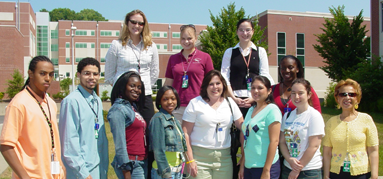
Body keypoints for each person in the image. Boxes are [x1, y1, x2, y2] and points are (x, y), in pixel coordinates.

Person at [221, 19, 275, 177]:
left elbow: (265, 75)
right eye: (241, 30)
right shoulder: (230, 52)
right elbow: (224, 77)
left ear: (253, 31)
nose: (245, 33)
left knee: (253, 138)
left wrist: (253, 98)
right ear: (237, 32)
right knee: (233, 141)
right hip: (234, 100)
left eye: (248, 30)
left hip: (255, 100)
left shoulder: (260, 51)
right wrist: (233, 98)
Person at [0, 56, 65, 179]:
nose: (48, 78)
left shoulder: (50, 103)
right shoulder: (19, 103)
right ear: (30, 73)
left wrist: (61, 168)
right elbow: (6, 145)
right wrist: (25, 177)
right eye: (42, 73)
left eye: (51, 74)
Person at [182, 70, 244, 179]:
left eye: (218, 83)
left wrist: (244, 154)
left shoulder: (230, 103)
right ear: (205, 86)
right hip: (199, 158)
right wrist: (190, 160)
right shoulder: (195, 103)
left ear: (223, 85)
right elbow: (185, 133)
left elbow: (244, 128)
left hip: (224, 159)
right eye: (211, 84)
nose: (215, 87)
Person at [105, 9, 159, 124]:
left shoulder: (151, 46)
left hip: (145, 96)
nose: (137, 26)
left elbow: (154, 72)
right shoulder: (117, 45)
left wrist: (144, 86)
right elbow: (109, 75)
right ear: (127, 23)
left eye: (140, 23)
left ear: (144, 26)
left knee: (149, 131)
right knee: (126, 132)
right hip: (123, 97)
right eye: (133, 22)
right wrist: (122, 88)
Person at [59, 58, 109, 179]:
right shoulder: (71, 102)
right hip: (82, 171)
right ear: (78, 75)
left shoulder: (96, 100)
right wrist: (83, 173)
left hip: (98, 166)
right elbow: (69, 143)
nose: (92, 77)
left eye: (95, 74)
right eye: (87, 73)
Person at [322, 79, 379, 179]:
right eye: (342, 94)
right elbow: (327, 152)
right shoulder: (331, 122)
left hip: (361, 173)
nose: (347, 97)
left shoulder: (366, 119)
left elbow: (373, 150)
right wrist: (326, 175)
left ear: (357, 98)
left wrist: (374, 176)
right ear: (337, 98)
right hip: (336, 173)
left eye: (352, 94)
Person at [164, 24, 214, 123]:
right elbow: (168, 82)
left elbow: (211, 81)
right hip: (177, 106)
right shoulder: (173, 58)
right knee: (178, 137)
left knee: (197, 137)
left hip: (199, 104)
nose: (186, 42)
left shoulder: (205, 57)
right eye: (183, 38)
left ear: (195, 39)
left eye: (189, 38)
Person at [279, 78, 324, 179]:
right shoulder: (287, 116)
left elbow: (314, 146)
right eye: (294, 93)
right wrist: (289, 159)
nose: (296, 97)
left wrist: (296, 170)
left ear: (309, 95)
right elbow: (282, 142)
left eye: (301, 93)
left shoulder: (314, 116)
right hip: (288, 167)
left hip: (309, 171)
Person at [239, 76, 281, 179]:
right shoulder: (251, 109)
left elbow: (274, 141)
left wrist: (266, 170)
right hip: (249, 165)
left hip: (264, 167)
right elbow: (247, 140)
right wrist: (242, 165)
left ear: (269, 90)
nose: (255, 91)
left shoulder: (272, 110)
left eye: (260, 88)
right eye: (253, 88)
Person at [107, 71, 148, 179]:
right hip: (131, 164)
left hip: (141, 161)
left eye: (139, 87)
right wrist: (126, 172)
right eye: (132, 86)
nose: (137, 90)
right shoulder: (118, 110)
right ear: (123, 86)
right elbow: (119, 144)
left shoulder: (132, 107)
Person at [149, 86, 187, 179]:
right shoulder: (158, 119)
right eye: (165, 99)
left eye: (173, 99)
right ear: (159, 102)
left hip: (177, 170)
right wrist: (166, 174)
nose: (170, 102)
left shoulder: (174, 120)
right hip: (165, 172)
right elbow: (158, 150)